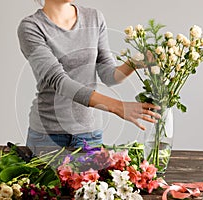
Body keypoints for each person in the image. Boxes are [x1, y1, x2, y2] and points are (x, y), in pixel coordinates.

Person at [17, 0, 161, 155]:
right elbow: (59, 81)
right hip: (48, 134)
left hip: (89, 134)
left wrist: (134, 63)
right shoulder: (31, 27)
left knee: (91, 180)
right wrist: (117, 106)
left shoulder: (94, 18)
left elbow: (109, 75)